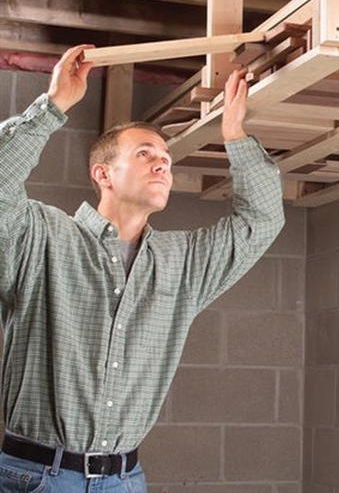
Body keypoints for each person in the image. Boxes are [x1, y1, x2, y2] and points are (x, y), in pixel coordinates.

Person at [0, 44, 285, 490]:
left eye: (166, 159)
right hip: (38, 477)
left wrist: (235, 135)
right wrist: (54, 105)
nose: (163, 163)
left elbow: (262, 220)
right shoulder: (41, 238)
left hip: (125, 480)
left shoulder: (183, 263)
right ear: (103, 174)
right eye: (145, 154)